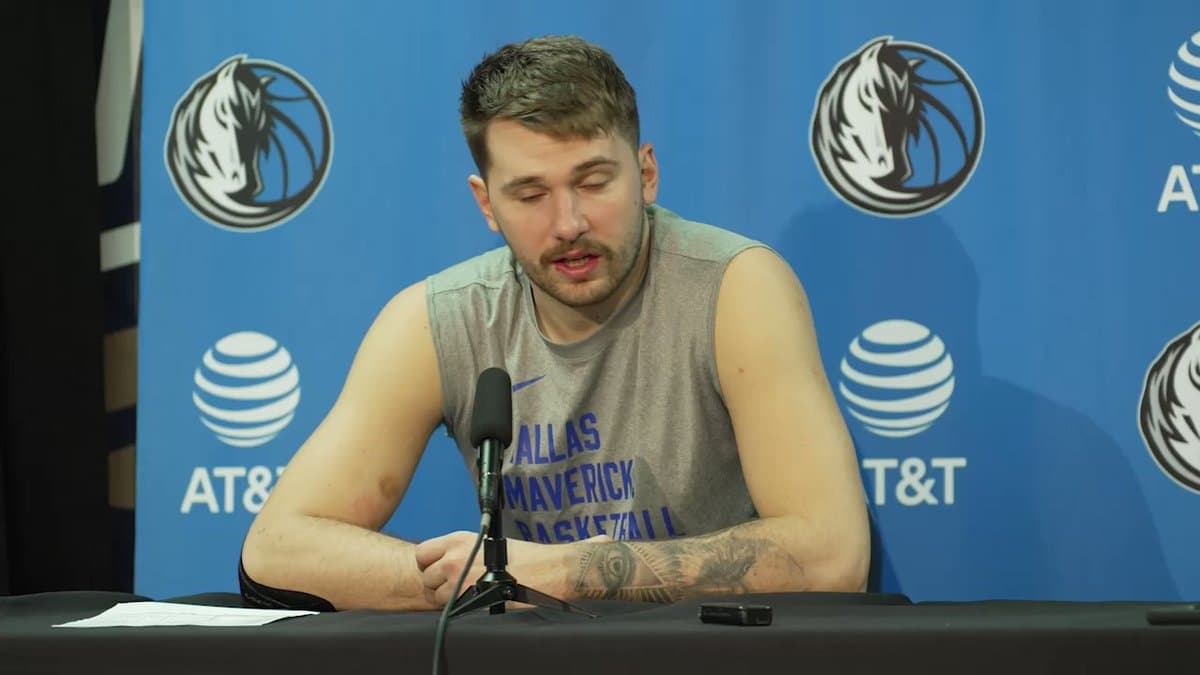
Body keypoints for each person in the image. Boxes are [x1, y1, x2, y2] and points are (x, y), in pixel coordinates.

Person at [239, 35, 868, 611]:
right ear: (487, 204)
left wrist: (566, 572)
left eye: (593, 182)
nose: (568, 223)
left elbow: (834, 554)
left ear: (646, 174)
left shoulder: (735, 287)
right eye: (531, 195)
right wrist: (484, 578)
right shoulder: (438, 319)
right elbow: (275, 548)